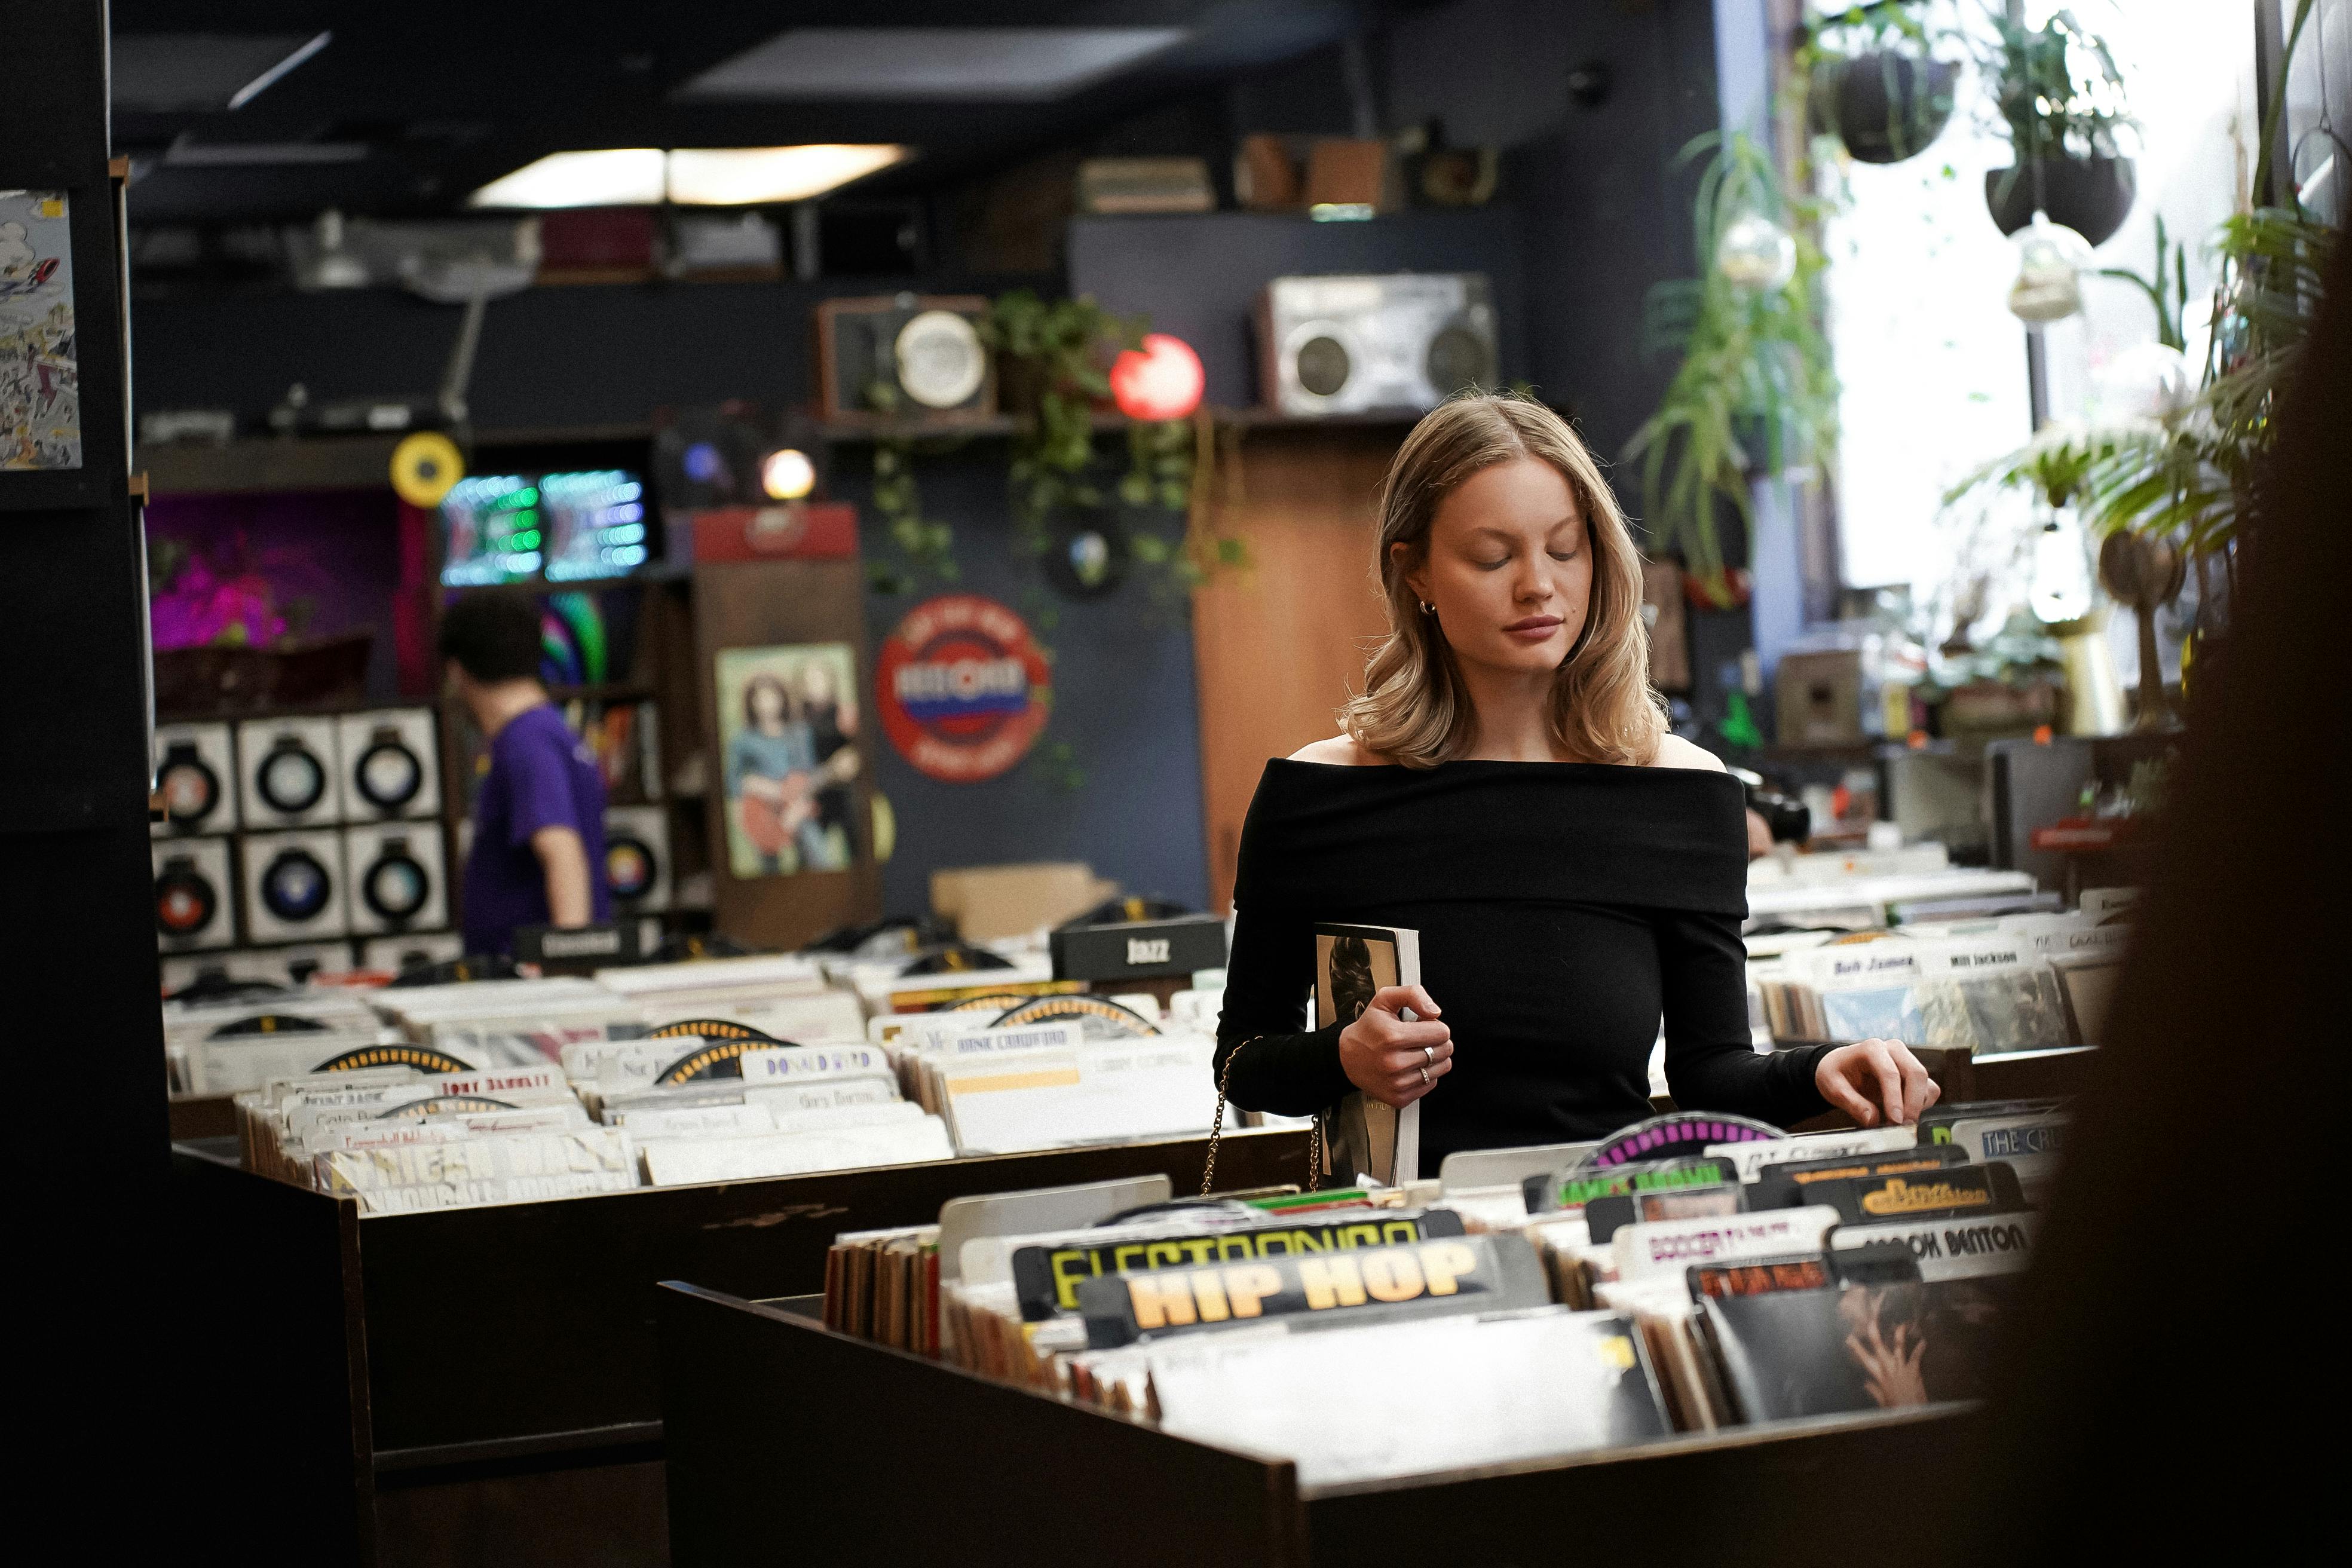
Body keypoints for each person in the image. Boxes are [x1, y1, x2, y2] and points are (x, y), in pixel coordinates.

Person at [1212, 394, 1936, 1171]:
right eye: (1494, 558)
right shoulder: (1318, 794)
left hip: (1605, 1231)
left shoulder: (1679, 795)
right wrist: (1342, 1059)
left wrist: (1816, 1070)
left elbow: (1711, 1074)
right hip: (1397, 1255)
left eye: (1566, 549)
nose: (1538, 586)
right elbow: (1241, 1060)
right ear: (1413, 568)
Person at [439, 589, 610, 955]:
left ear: (457, 671)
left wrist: (569, 976)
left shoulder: (526, 740)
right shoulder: (549, 730)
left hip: (531, 987)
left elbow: (562, 853)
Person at [727, 671, 855, 874]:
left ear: (782, 698)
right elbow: (734, 780)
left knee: (817, 855)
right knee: (769, 870)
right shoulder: (743, 740)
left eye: (771, 697)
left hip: (798, 807)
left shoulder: (799, 732)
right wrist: (751, 786)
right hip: (763, 814)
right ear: (751, 703)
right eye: (760, 699)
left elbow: (808, 775)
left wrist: (833, 771)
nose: (767, 705)